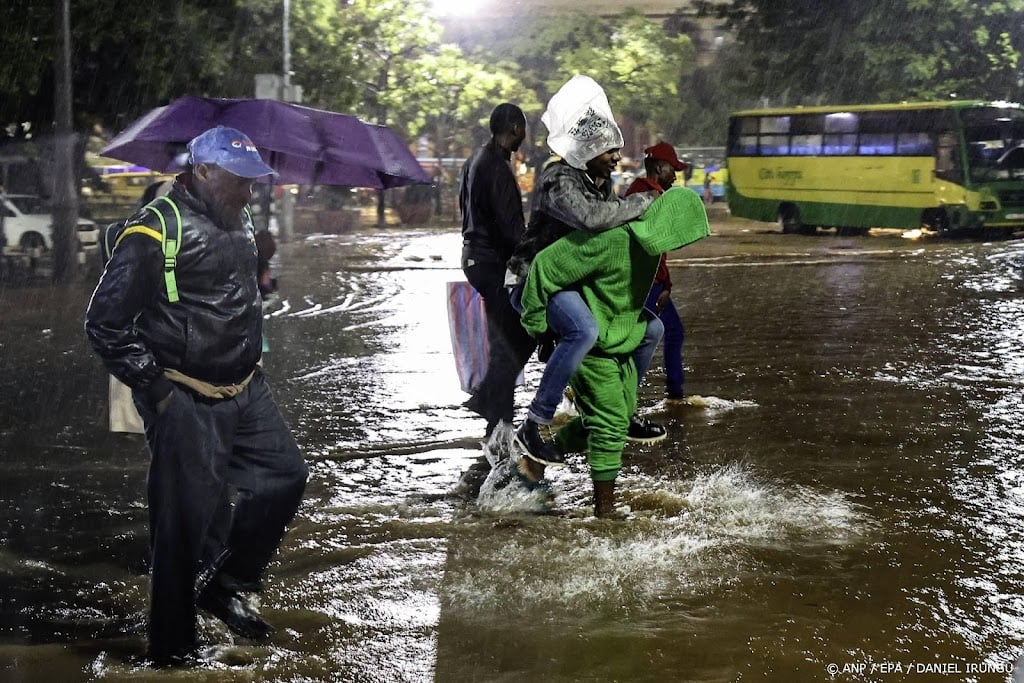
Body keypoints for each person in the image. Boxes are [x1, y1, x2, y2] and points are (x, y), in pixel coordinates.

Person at [85, 126, 309, 667]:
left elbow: (237, 292)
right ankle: (171, 656)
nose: (248, 193)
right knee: (181, 528)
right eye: (239, 182)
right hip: (182, 394)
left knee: (285, 477)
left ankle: (228, 583)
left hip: (245, 386)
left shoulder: (241, 218)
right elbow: (105, 322)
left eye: (254, 183)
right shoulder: (154, 230)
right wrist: (156, 389)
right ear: (202, 173)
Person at [517, 187, 710, 516]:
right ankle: (604, 511)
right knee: (609, 425)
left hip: (620, 336)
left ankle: (533, 463)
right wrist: (538, 327)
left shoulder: (649, 249)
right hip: (592, 344)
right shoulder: (612, 239)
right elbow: (545, 266)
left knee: (615, 419)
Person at [505, 75, 663, 468]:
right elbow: (592, 220)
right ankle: (535, 423)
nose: (615, 157)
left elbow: (611, 229)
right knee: (585, 330)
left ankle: (622, 412)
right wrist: (642, 202)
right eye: (608, 150)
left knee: (652, 328)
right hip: (532, 282)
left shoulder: (598, 183)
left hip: (573, 283)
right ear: (585, 150)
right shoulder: (558, 179)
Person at [459, 104, 535, 442]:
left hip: (474, 259)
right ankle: (493, 405)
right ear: (516, 128)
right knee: (523, 333)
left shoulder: (475, 159)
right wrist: (532, 259)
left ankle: (496, 423)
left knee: (502, 338)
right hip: (493, 263)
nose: (525, 137)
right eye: (524, 130)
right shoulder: (499, 169)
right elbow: (511, 231)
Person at [624, 142, 689, 399]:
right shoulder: (643, 195)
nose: (675, 175)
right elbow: (647, 247)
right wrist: (663, 286)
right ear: (659, 167)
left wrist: (668, 286)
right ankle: (670, 395)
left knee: (654, 334)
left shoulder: (649, 193)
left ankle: (672, 393)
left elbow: (660, 249)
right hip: (645, 284)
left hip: (655, 283)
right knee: (654, 334)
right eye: (672, 169)